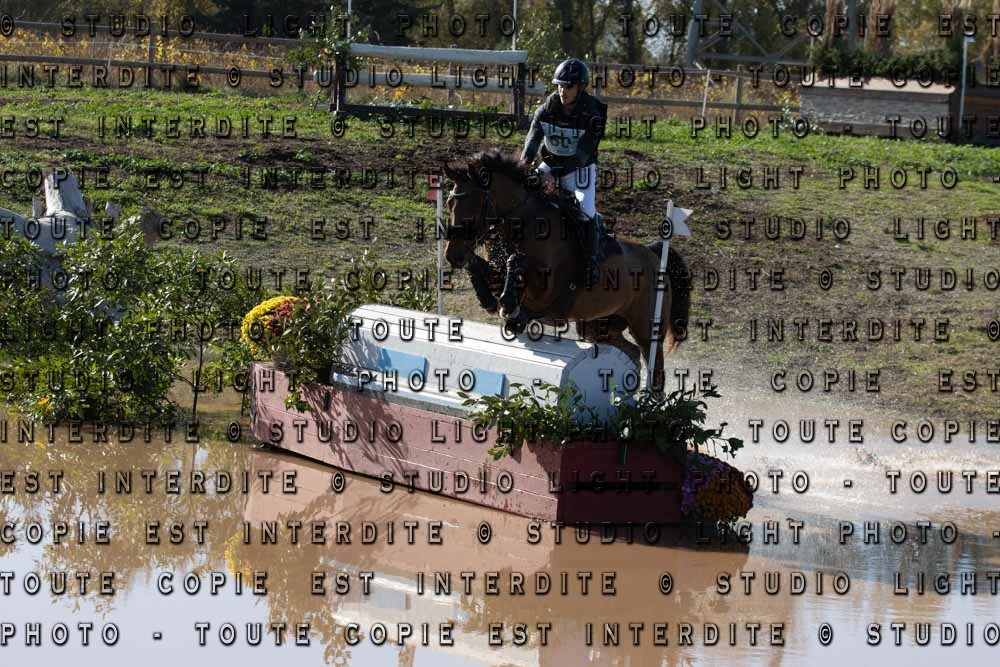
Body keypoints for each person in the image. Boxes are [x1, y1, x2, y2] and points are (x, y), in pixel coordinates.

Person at [520, 57, 609, 285]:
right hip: (550, 163)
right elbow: (533, 139)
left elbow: (582, 154)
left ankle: (590, 262)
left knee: (586, 210)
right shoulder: (547, 109)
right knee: (522, 195)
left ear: (580, 87)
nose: (562, 90)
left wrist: (556, 177)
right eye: (560, 85)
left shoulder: (593, 113)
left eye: (568, 86)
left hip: (580, 170)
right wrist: (524, 164)